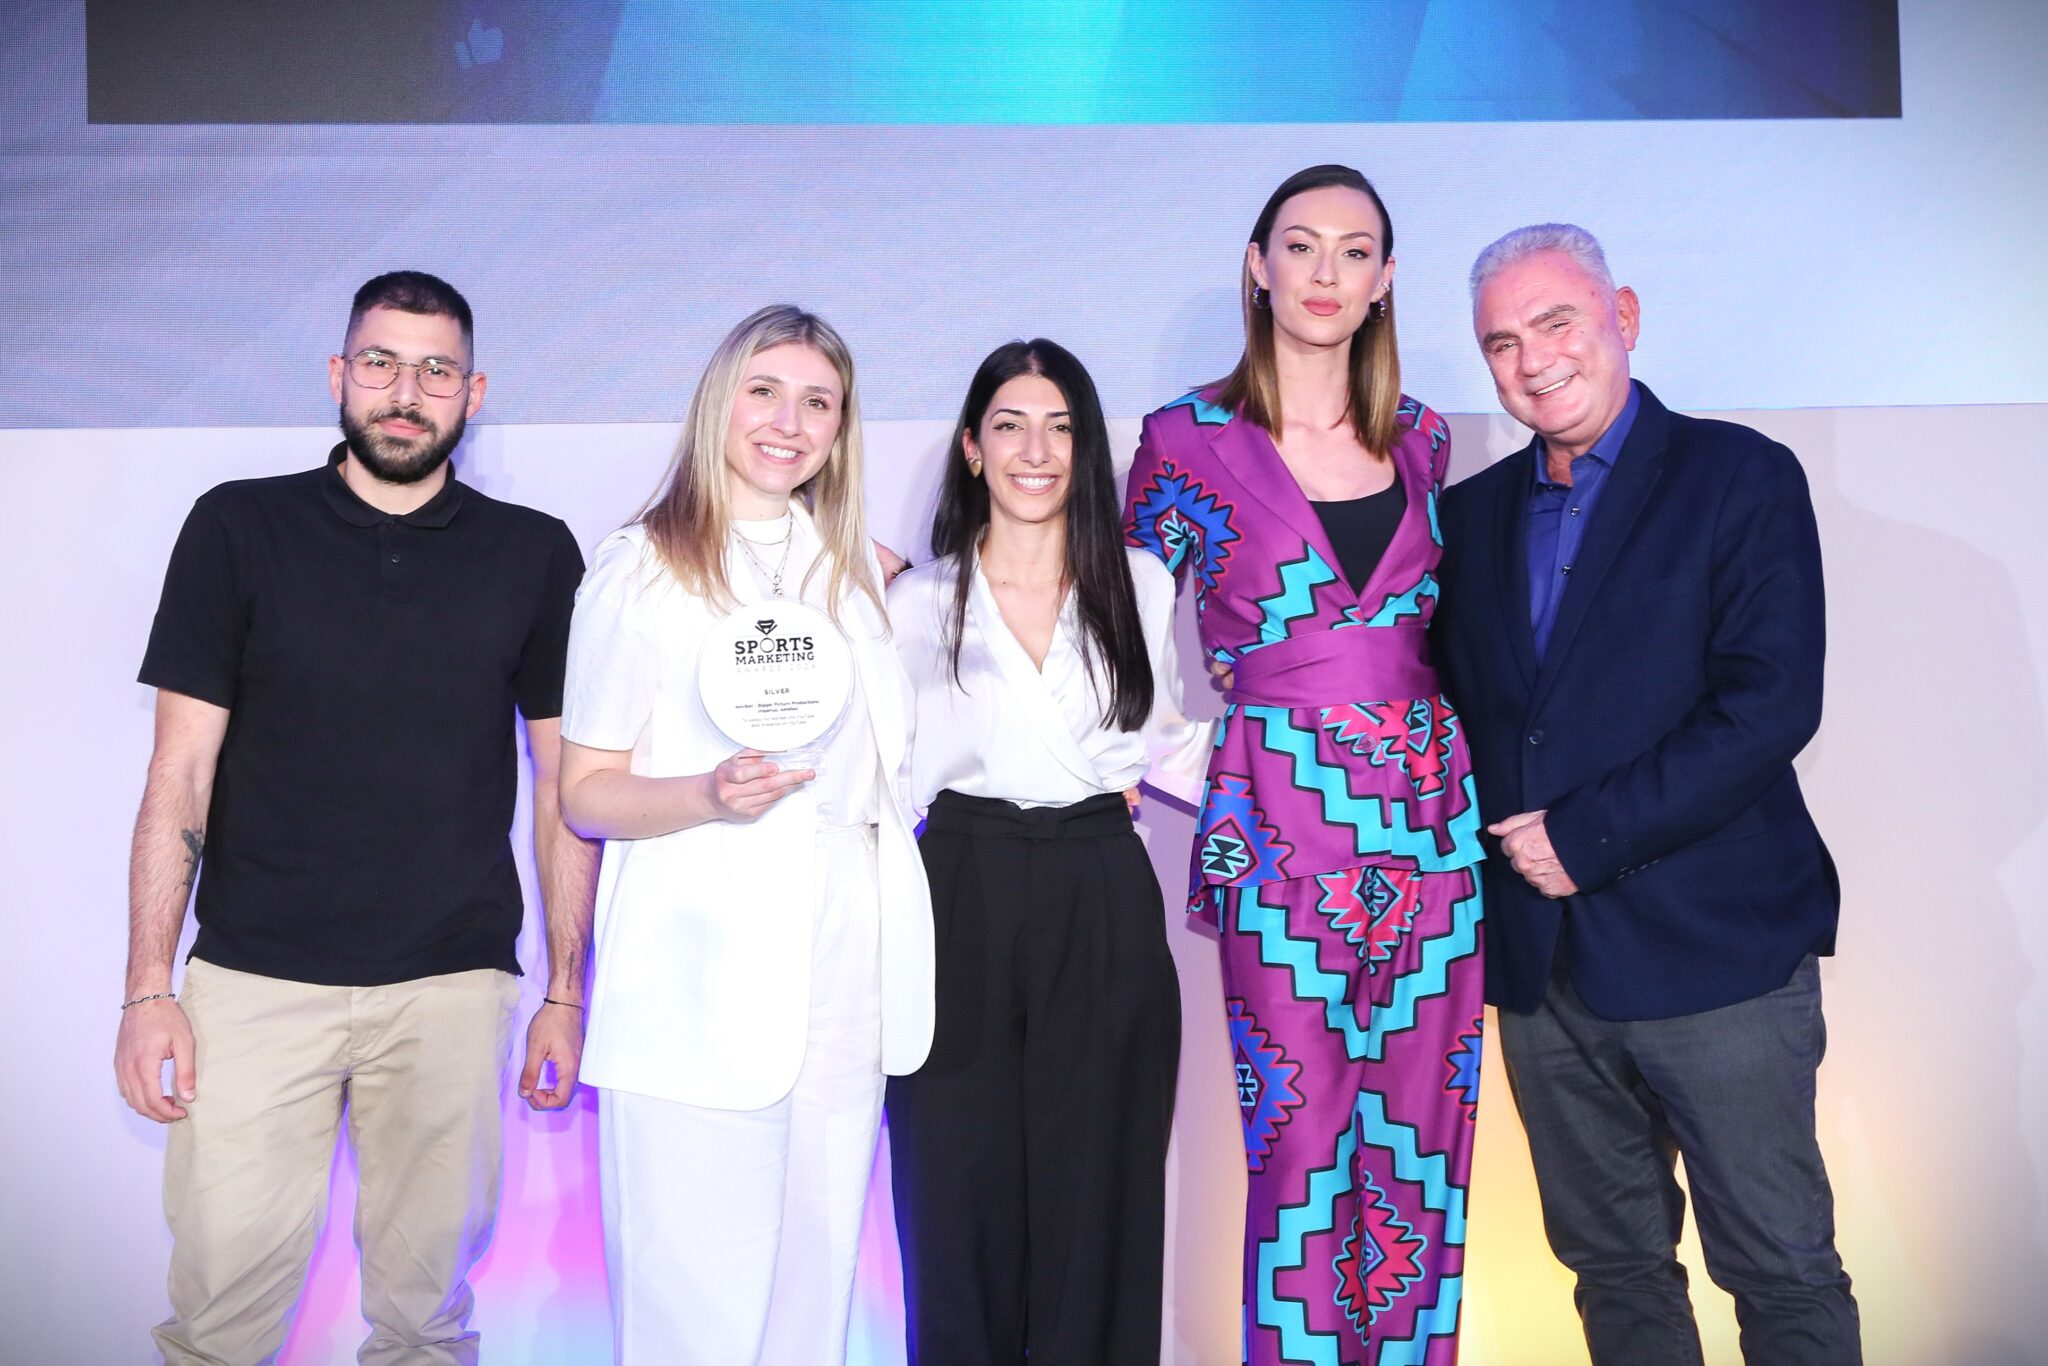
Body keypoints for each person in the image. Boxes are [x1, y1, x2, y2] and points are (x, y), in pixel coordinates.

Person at [114, 270, 599, 1364]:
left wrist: (567, 992)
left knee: (425, 1327)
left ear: (474, 393)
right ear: (339, 373)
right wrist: (148, 988)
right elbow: (178, 771)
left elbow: (562, 787)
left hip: (452, 988)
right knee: (217, 1327)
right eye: (381, 363)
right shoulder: (239, 526)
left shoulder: (533, 553)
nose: (405, 392)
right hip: (254, 986)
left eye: (435, 371)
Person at [1434, 223, 1859, 1364]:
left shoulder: (1739, 475)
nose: (1532, 360)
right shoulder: (1466, 518)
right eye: (1501, 343)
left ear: (1621, 316)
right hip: (1542, 976)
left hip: (1716, 955)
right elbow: (1447, 712)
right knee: (1614, 1274)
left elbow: (1770, 703)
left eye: (1555, 322)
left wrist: (1584, 835)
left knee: (1779, 1270)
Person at [1122, 165, 1485, 1365]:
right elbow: (1110, 637)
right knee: (1298, 1146)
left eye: (1353, 250)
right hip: (1278, 834)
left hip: (1430, 838)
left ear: (1383, 280)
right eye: (1300, 244)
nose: (1325, 272)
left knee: (1426, 1145)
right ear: (1256, 264)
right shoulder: (1183, 439)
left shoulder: (1423, 438)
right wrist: (1196, 761)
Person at [556, 304, 932, 1365]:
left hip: (845, 965)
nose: (788, 422)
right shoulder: (640, 569)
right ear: (718, 401)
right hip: (697, 959)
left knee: (813, 1294)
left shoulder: (853, 574)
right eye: (764, 392)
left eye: (818, 402)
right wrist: (707, 796)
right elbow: (584, 793)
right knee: (693, 1306)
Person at [886, 339, 1207, 1364]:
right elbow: (887, 777)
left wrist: (1314, 781)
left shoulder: (1141, 584)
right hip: (958, 887)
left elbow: (1166, 742)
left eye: (1061, 427)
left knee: (1100, 1192)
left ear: (1087, 448)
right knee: (953, 1190)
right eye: (1011, 425)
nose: (1036, 450)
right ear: (971, 447)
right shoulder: (913, 604)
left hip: (1099, 882)